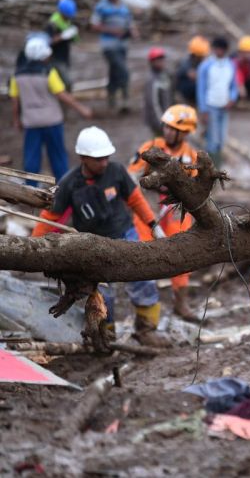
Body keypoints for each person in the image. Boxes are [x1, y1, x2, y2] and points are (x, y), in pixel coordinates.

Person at [32, 127, 171, 347]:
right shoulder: (70, 184)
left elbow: (135, 199)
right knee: (105, 297)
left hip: (126, 235)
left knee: (144, 281)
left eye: (106, 157)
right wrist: (34, 248)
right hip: (94, 247)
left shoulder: (116, 172)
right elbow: (50, 216)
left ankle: (146, 330)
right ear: (83, 158)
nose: (104, 162)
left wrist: (153, 224)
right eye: (98, 159)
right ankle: (107, 337)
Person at [129, 104, 200, 322]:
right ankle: (146, 309)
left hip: (177, 210)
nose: (167, 131)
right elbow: (130, 177)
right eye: (166, 127)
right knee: (144, 253)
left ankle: (181, 302)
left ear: (184, 132)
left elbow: (197, 187)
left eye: (172, 128)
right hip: (148, 206)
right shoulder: (151, 148)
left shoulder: (190, 155)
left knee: (183, 251)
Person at [9, 36, 92, 185]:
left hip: (31, 123)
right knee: (58, 157)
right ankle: (64, 187)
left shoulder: (17, 76)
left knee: (31, 159)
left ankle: (31, 189)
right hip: (52, 121)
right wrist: (82, 109)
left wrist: (17, 120)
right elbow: (62, 94)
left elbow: (15, 102)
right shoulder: (48, 73)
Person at [91, 0, 138, 113]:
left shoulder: (124, 7)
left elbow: (130, 23)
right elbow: (94, 25)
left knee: (114, 71)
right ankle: (125, 100)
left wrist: (133, 31)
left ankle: (111, 97)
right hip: (109, 46)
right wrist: (112, 31)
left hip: (122, 45)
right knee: (123, 71)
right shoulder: (101, 7)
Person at [197, 36, 238, 165]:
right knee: (212, 139)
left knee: (222, 138)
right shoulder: (206, 66)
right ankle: (211, 167)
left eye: (221, 49)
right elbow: (201, 88)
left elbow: (233, 85)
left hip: (224, 106)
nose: (219, 51)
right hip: (211, 106)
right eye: (217, 49)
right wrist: (203, 109)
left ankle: (218, 166)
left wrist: (232, 98)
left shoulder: (230, 65)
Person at [44, 0, 79, 91]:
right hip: (54, 58)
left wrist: (73, 35)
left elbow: (75, 41)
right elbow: (47, 42)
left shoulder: (68, 23)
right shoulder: (53, 24)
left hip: (64, 57)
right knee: (67, 83)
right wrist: (62, 36)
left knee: (62, 83)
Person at [143, 47, 173, 136]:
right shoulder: (152, 80)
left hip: (167, 118)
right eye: (158, 60)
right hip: (158, 122)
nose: (161, 62)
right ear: (152, 62)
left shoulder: (165, 75)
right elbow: (153, 104)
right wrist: (161, 123)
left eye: (162, 59)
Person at [175, 36, 210, 106]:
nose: (204, 58)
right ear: (197, 55)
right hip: (186, 96)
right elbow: (193, 76)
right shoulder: (185, 64)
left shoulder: (202, 63)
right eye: (202, 56)